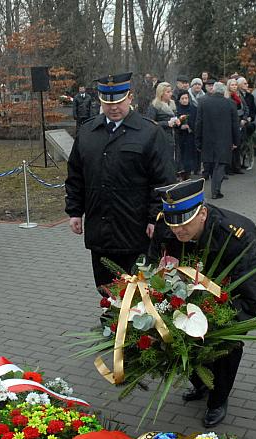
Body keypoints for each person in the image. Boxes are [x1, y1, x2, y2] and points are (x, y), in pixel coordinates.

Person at [148, 178, 256, 426]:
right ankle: (201, 383)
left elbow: (249, 290)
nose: (178, 231)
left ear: (202, 213)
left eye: (185, 223)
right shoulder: (167, 226)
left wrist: (222, 324)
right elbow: (153, 263)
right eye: (174, 224)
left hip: (233, 292)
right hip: (187, 291)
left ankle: (218, 399)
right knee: (177, 338)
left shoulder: (235, 234)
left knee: (224, 345)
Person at [65, 72, 175, 290]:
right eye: (107, 103)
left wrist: (156, 218)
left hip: (136, 230)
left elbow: (163, 180)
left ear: (130, 98)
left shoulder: (149, 132)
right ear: (100, 100)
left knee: (140, 293)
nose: (113, 107)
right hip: (100, 231)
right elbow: (76, 175)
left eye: (119, 102)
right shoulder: (88, 131)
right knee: (106, 290)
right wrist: (75, 211)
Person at [195, 81, 239, 199]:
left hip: (207, 139)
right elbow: (235, 124)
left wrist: (198, 140)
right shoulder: (231, 104)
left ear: (213, 90)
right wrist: (236, 141)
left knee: (210, 163)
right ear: (224, 91)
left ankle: (212, 188)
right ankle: (216, 190)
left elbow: (198, 123)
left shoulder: (203, 102)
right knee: (220, 165)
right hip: (224, 139)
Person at [146, 82, 180, 178]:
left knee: (173, 159)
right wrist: (166, 123)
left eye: (170, 91)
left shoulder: (172, 104)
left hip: (173, 136)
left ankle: (173, 176)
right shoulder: (154, 106)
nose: (170, 94)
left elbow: (174, 118)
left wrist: (178, 121)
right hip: (161, 137)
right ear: (161, 93)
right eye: (167, 92)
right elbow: (150, 123)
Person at [225, 78, 249, 175]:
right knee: (231, 146)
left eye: (235, 85)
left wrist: (244, 118)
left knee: (239, 144)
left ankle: (237, 166)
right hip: (231, 123)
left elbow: (246, 108)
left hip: (240, 122)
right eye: (232, 85)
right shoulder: (226, 97)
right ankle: (229, 167)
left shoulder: (239, 96)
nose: (234, 87)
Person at [175, 90, 198, 178]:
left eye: (186, 98)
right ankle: (181, 171)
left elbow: (197, 121)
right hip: (180, 135)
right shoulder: (177, 109)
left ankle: (189, 171)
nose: (185, 100)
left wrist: (191, 127)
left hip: (191, 135)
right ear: (179, 100)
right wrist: (180, 126)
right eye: (182, 98)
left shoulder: (193, 109)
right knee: (181, 154)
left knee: (190, 154)